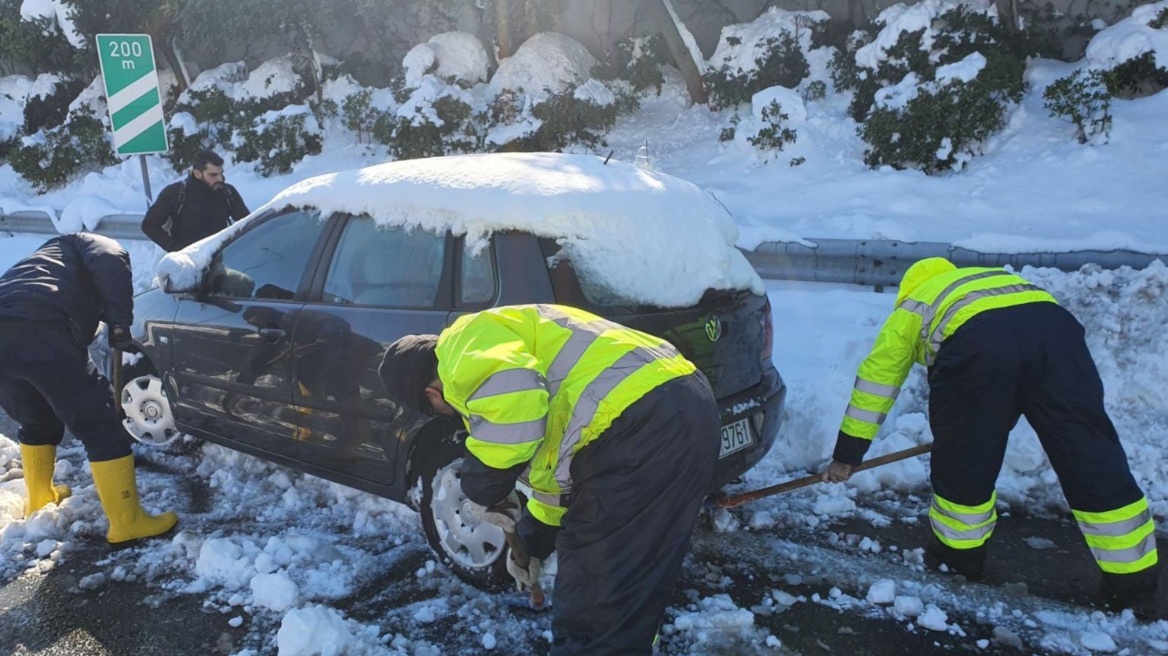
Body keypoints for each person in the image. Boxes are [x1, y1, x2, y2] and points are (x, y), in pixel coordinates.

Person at [378, 304, 720, 655]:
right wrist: (534, 543)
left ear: (431, 397)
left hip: (639, 425)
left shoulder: (464, 345)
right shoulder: (510, 339)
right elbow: (558, 476)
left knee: (592, 607)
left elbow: (516, 405)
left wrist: (482, 485)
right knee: (626, 589)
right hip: (679, 409)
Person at [822, 257, 1158, 609]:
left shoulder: (915, 303)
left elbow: (878, 381)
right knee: (1090, 454)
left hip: (977, 346)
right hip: (1057, 335)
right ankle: (1134, 585)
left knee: (965, 463)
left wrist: (848, 453)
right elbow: (1020, 339)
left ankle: (957, 562)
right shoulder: (995, 281)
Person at [0, 233, 178, 549]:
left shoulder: (44, 258)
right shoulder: (100, 246)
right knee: (102, 424)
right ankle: (128, 523)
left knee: (36, 418)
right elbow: (111, 266)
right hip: (43, 327)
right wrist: (120, 324)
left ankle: (40, 499)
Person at [142, 149, 249, 252]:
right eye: (213, 175)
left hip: (220, 259)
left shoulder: (228, 192)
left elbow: (246, 224)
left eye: (221, 173)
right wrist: (175, 248)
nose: (220, 179)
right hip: (187, 262)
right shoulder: (176, 193)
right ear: (198, 174)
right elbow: (149, 225)